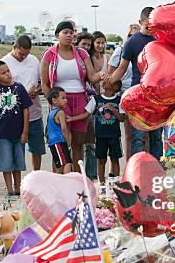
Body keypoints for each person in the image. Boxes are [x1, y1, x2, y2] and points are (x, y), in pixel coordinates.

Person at [40, 21, 104, 172]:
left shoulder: (82, 53)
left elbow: (91, 77)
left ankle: (76, 179)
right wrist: (53, 103)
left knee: (78, 143)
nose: (69, 35)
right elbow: (44, 83)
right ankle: (58, 179)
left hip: (80, 99)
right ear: (57, 35)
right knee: (60, 143)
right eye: (65, 32)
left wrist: (101, 75)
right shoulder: (49, 54)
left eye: (71, 32)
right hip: (60, 102)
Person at [108, 7, 162, 159]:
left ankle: (158, 171)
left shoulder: (160, 39)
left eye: (154, 25)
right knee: (138, 137)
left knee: (157, 136)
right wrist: (109, 81)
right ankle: (138, 170)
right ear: (141, 22)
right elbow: (122, 68)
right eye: (147, 25)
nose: (151, 28)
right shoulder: (132, 42)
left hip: (158, 95)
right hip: (139, 93)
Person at [0, 60, 32, 197]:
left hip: (18, 133)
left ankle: (18, 188)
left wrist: (25, 131)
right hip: (3, 134)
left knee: (18, 163)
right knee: (6, 163)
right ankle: (9, 189)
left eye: (8, 71)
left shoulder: (19, 88)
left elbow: (26, 110)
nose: (7, 74)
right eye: (3, 73)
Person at [1, 35, 45, 170]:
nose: (23, 57)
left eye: (26, 55)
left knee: (37, 148)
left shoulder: (34, 60)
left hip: (34, 113)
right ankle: (17, 181)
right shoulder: (4, 62)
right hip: (15, 116)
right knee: (17, 149)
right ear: (14, 47)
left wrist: (37, 90)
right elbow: (1, 92)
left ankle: (36, 175)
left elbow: (41, 83)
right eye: (21, 54)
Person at [69, 79, 124, 183]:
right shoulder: (96, 99)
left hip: (114, 135)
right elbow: (86, 113)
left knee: (114, 159)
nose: (103, 82)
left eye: (108, 81)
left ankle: (117, 182)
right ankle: (102, 182)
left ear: (115, 86)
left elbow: (122, 118)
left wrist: (113, 110)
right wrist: (72, 118)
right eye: (103, 81)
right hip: (100, 135)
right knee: (101, 159)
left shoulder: (119, 100)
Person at [108, 24, 139, 161]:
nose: (132, 38)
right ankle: (129, 164)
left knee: (144, 135)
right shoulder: (120, 51)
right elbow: (111, 74)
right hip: (125, 95)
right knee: (129, 135)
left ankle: (146, 164)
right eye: (130, 35)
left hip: (141, 95)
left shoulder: (145, 50)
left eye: (135, 35)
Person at [76, 31, 97, 180]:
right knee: (77, 142)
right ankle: (77, 174)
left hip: (90, 102)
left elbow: (94, 81)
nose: (87, 47)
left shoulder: (90, 60)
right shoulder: (74, 59)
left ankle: (91, 174)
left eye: (89, 45)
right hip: (77, 102)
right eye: (84, 44)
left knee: (90, 141)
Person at [46, 86, 72, 174]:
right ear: (54, 100)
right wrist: (68, 141)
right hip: (59, 141)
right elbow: (64, 128)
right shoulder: (60, 112)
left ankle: (57, 182)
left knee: (60, 165)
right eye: (63, 98)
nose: (66, 100)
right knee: (67, 163)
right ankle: (66, 183)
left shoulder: (51, 113)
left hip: (53, 142)